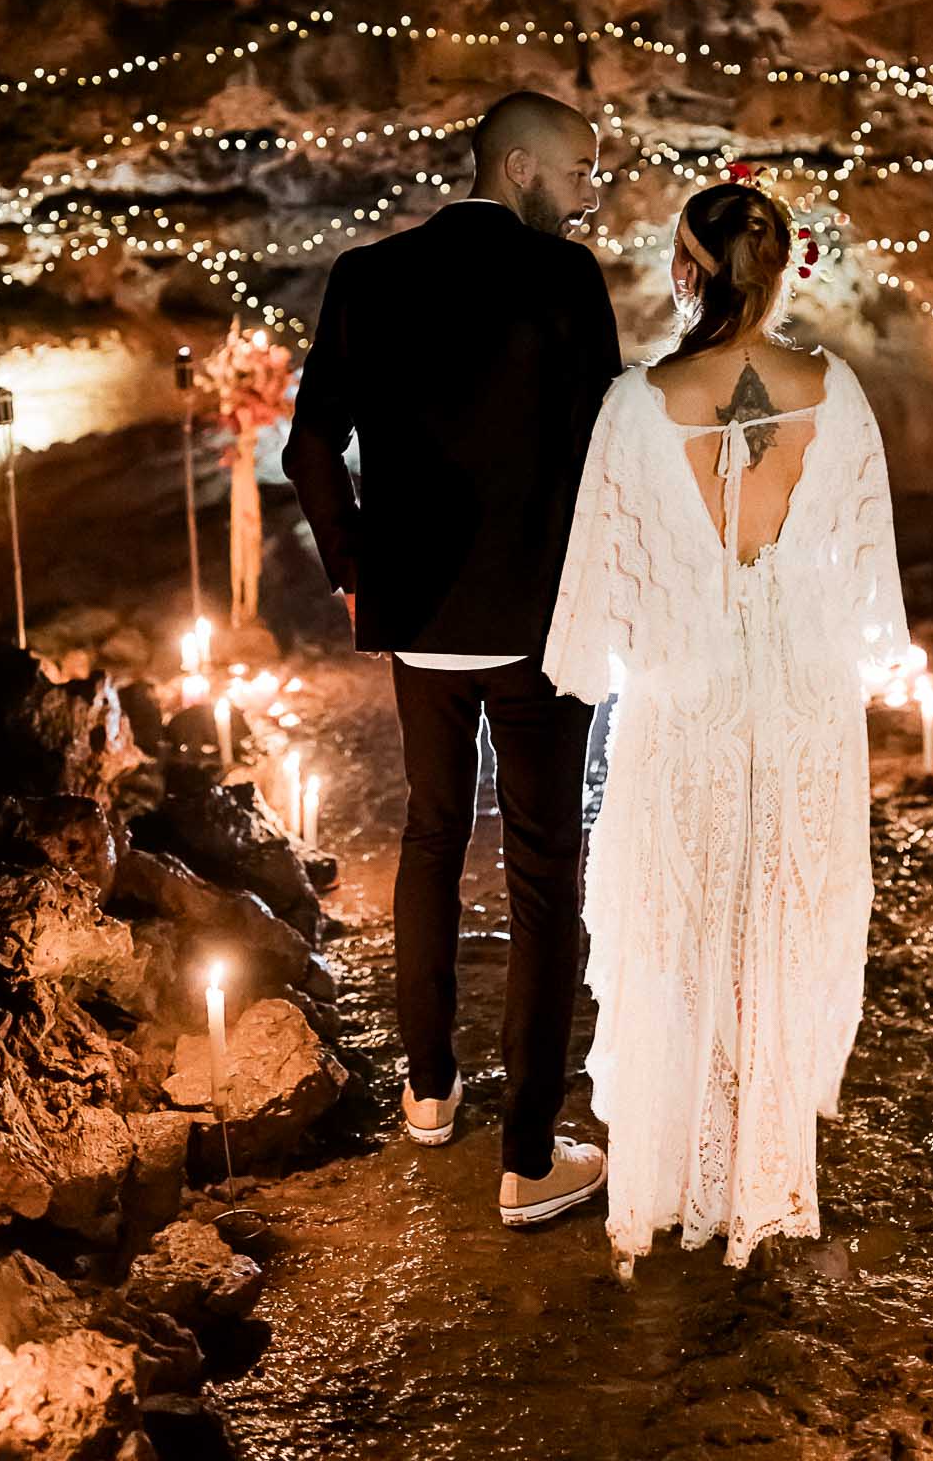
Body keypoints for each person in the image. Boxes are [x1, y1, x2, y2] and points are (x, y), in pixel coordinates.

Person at [543, 176, 910, 1272]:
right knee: (780, 914)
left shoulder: (633, 402)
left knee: (676, 921)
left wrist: (611, 661)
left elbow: (598, 567)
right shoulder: (835, 392)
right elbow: (866, 559)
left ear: (689, 271)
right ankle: (758, 1174)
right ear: (783, 264)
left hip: (685, 698)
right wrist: (861, 651)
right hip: (799, 700)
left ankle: (669, 1179)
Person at [284, 90, 622, 1227]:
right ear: (518, 166)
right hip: (541, 623)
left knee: (428, 835)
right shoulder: (565, 280)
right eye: (578, 170)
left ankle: (428, 1092)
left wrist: (353, 567)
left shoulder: (366, 277)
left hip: (420, 622)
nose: (587, 192)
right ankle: (527, 1155)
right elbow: (604, 453)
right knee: (542, 871)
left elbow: (309, 444)